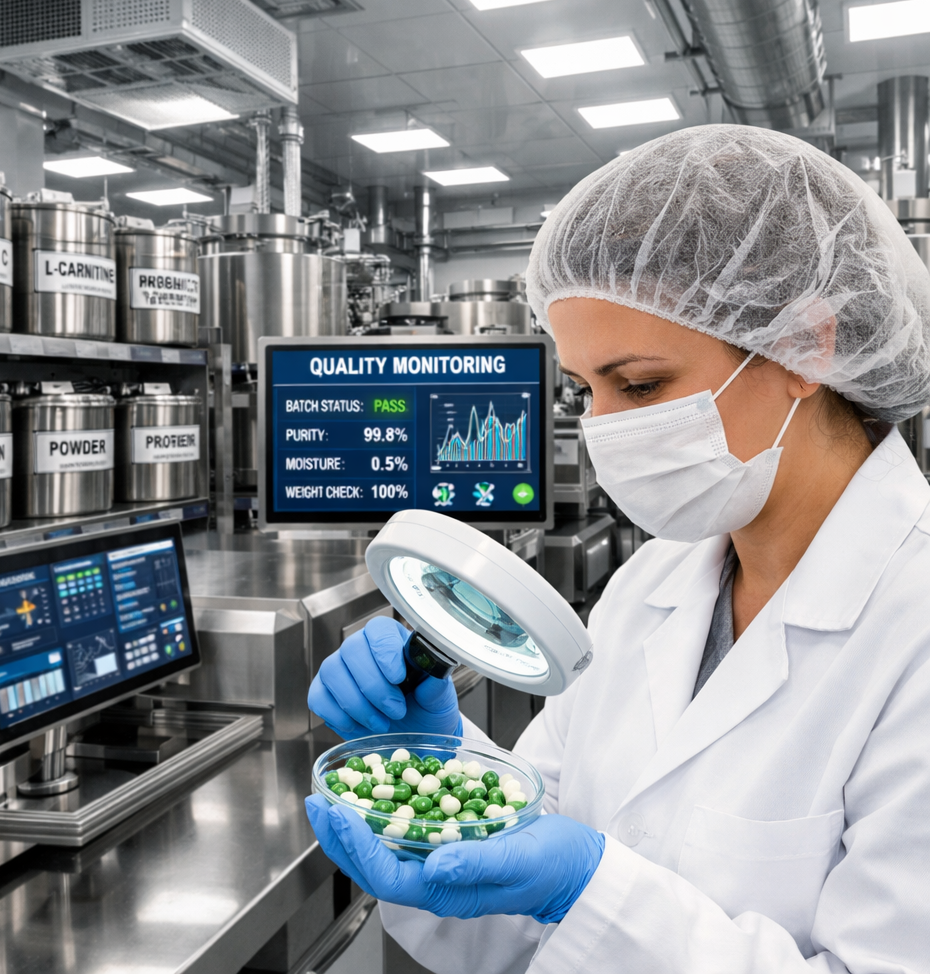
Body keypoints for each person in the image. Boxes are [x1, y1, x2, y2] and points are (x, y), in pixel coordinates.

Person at [305, 125, 930, 973]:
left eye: (640, 385)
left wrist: (589, 891)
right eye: (585, 390)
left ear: (805, 346)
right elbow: (533, 852)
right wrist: (445, 780)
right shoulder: (655, 581)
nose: (604, 428)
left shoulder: (913, 621)